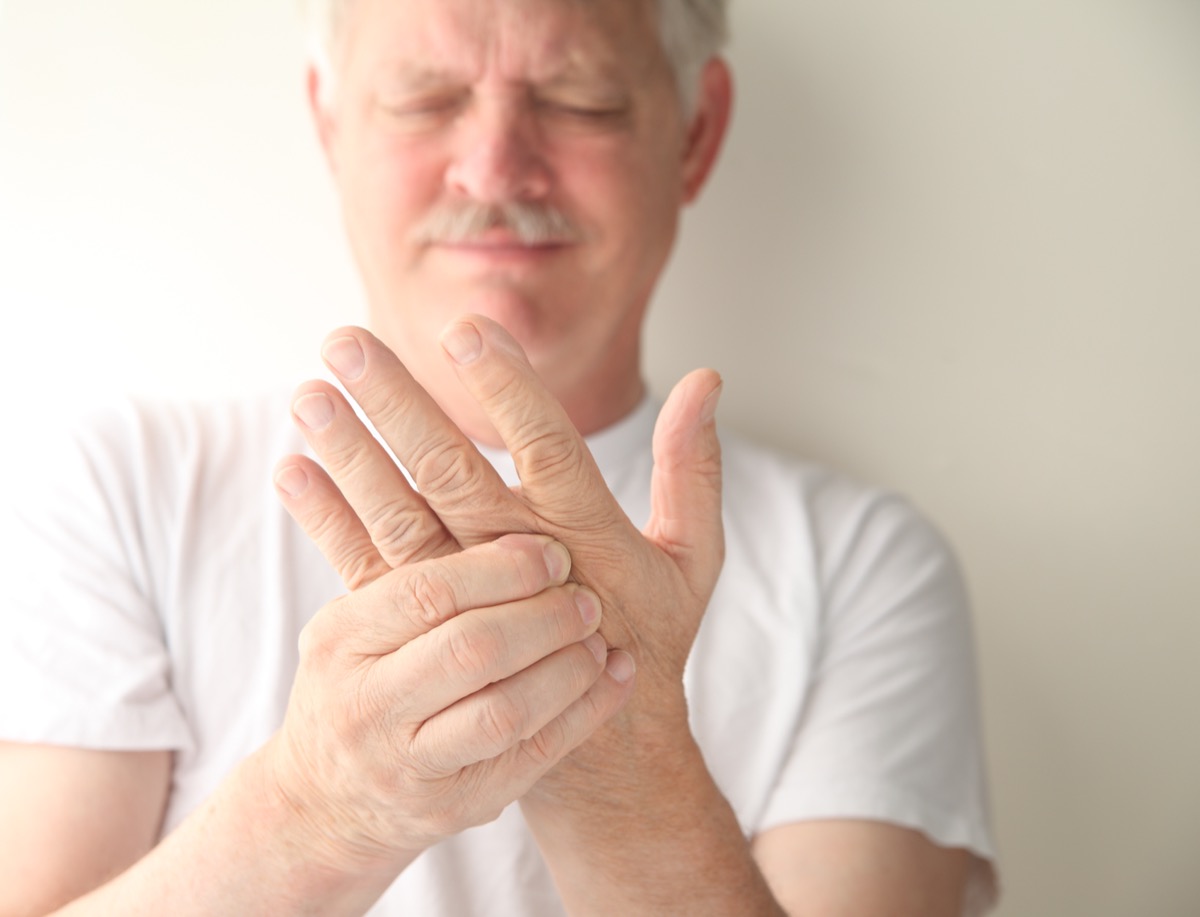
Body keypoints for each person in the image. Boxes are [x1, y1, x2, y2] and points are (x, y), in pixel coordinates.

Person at [0, 0, 998, 914]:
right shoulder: (115, 488)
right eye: (426, 98)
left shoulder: (864, 567)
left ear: (695, 133)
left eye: (579, 101)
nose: (492, 167)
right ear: (330, 121)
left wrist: (622, 749)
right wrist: (319, 804)